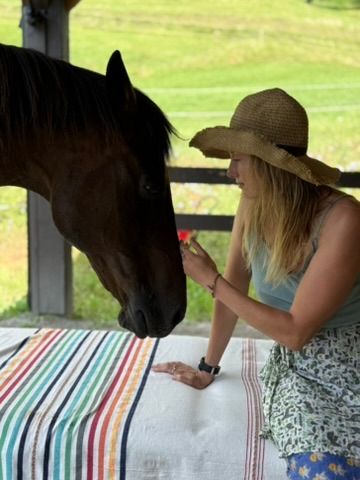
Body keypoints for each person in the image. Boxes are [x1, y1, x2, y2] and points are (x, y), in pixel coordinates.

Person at [152, 88, 360, 479]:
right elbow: (235, 286)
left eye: (237, 159)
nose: (229, 172)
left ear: (268, 165)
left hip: (350, 367)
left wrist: (210, 280)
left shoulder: (343, 220)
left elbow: (297, 331)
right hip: (300, 374)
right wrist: (207, 366)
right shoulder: (253, 205)